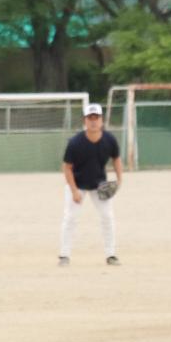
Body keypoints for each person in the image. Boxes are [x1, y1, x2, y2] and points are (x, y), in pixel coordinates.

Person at [59, 103, 122, 267]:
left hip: (99, 185)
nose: (93, 121)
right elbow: (67, 167)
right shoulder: (75, 143)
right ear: (85, 121)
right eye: (90, 118)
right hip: (78, 184)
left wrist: (119, 180)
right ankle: (64, 255)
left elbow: (116, 158)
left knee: (107, 217)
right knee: (70, 218)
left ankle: (111, 255)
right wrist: (73, 191)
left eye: (96, 118)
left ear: (102, 120)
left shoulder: (109, 140)